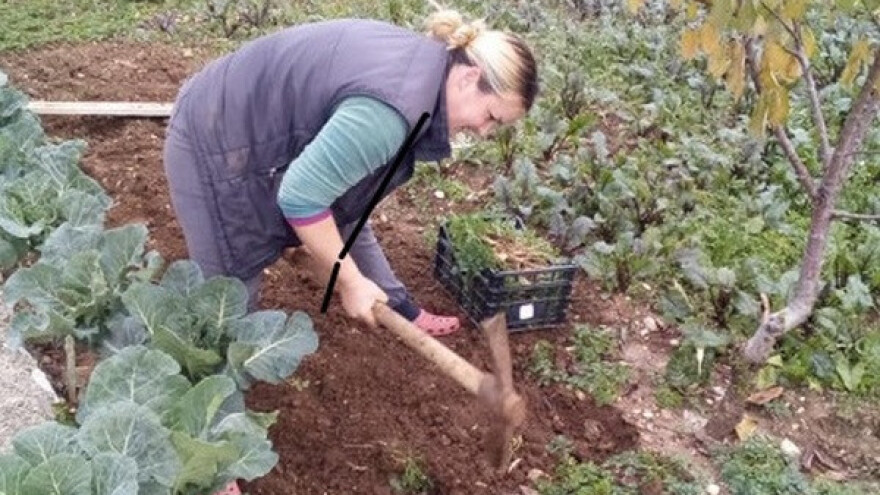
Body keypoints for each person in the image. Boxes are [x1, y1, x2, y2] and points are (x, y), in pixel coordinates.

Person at [162, 8, 538, 335]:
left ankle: (397, 303)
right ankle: (209, 406)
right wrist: (351, 281)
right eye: (491, 117)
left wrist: (396, 305)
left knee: (329, 210)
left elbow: (345, 207)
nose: (485, 131)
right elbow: (302, 198)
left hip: (244, 122)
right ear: (469, 78)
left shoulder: (426, 69)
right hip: (214, 141)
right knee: (227, 299)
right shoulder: (391, 113)